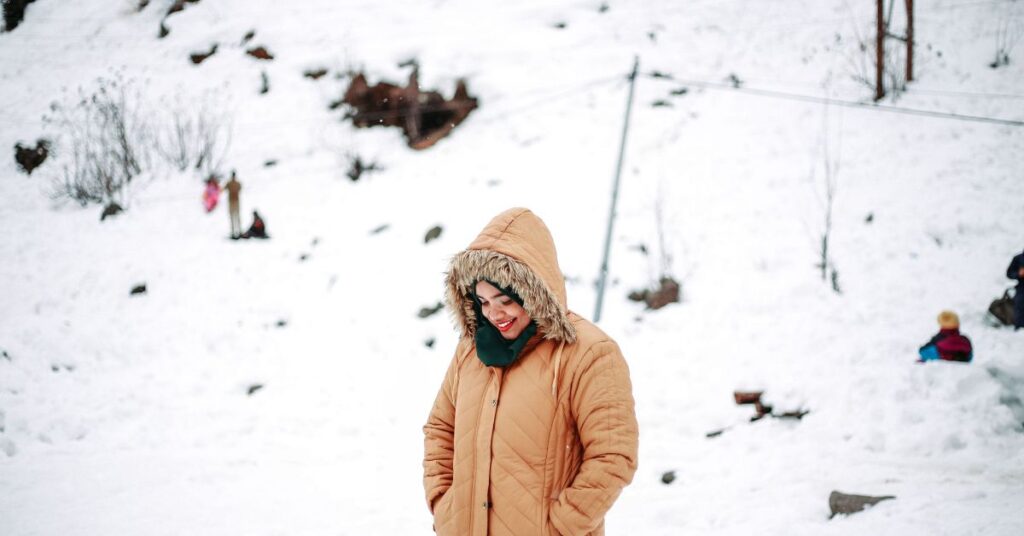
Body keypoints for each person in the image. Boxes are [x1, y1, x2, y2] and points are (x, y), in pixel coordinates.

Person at [423, 208, 639, 536]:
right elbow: (441, 428)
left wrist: (560, 527)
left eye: (505, 299)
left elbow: (613, 456)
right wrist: (444, 505)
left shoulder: (589, 354)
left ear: (533, 290)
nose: (494, 313)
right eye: (482, 302)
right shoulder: (471, 350)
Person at [1007, 249, 1024, 330]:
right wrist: (1018, 274)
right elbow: (1009, 273)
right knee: (1019, 304)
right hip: (1021, 288)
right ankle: (1019, 327)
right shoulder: (1018, 258)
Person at [225, 170, 242, 238]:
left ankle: (238, 231)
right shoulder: (233, 183)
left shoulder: (234, 183)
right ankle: (234, 231)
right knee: (234, 217)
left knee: (236, 217)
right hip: (233, 201)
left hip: (234, 201)